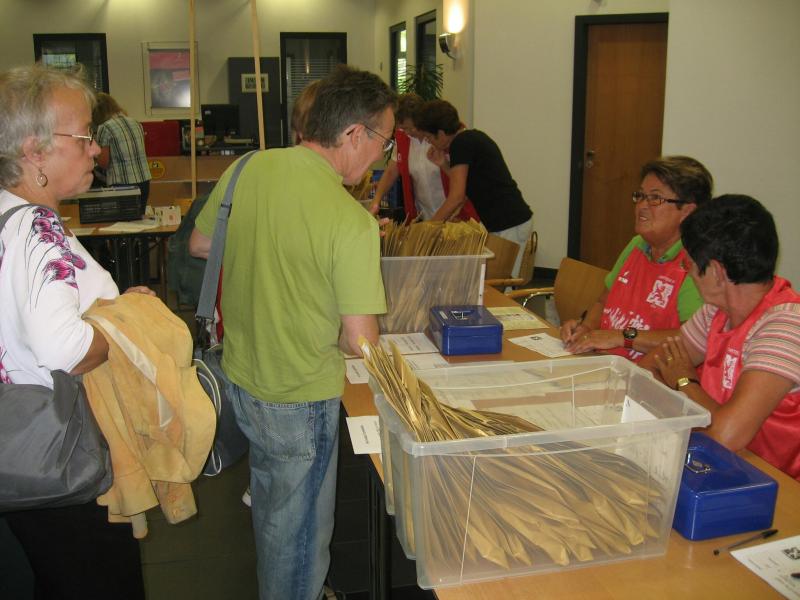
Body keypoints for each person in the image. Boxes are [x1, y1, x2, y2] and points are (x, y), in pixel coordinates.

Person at [188, 65, 392, 600]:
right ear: (354, 134)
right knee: (299, 535)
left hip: (241, 372)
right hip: (300, 396)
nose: (383, 156)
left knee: (273, 507)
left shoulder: (248, 168)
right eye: (385, 141)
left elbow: (202, 244)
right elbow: (361, 342)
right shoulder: (351, 222)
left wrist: (270, 260)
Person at [0, 64, 150, 599]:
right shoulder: (37, 225)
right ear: (35, 151)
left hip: (19, 444)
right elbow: (65, 349)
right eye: (84, 137)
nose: (95, 150)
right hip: (62, 452)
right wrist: (126, 323)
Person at [643, 195, 800, 479]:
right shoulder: (717, 311)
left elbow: (726, 437)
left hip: (778, 484)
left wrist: (684, 381)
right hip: (728, 468)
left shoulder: (786, 325)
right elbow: (648, 369)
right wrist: (687, 391)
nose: (687, 274)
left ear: (715, 272)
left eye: (689, 265)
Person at [561, 156, 712, 361]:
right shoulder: (637, 245)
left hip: (651, 374)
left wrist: (622, 337)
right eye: (640, 196)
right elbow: (603, 302)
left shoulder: (695, 262)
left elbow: (692, 340)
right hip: (605, 363)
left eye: (655, 198)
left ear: (687, 211)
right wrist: (585, 329)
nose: (641, 205)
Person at [414, 99, 533, 276]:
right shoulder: (468, 139)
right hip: (507, 223)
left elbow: (457, 197)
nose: (429, 142)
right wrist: (443, 164)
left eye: (429, 137)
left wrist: (428, 228)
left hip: (510, 223)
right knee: (495, 281)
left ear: (441, 133)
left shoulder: (461, 143)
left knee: (501, 283)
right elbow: (469, 187)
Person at [370, 93, 478, 222]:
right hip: (424, 216)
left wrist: (434, 224)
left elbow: (462, 183)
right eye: (403, 128)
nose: (407, 132)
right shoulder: (403, 138)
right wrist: (376, 200)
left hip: (455, 217)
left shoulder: (444, 137)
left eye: (410, 128)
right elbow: (391, 172)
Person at [93, 92, 151, 215]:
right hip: (144, 182)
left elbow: (104, 163)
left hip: (122, 185)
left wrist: (93, 153)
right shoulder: (135, 123)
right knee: (138, 220)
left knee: (121, 223)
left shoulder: (105, 127)